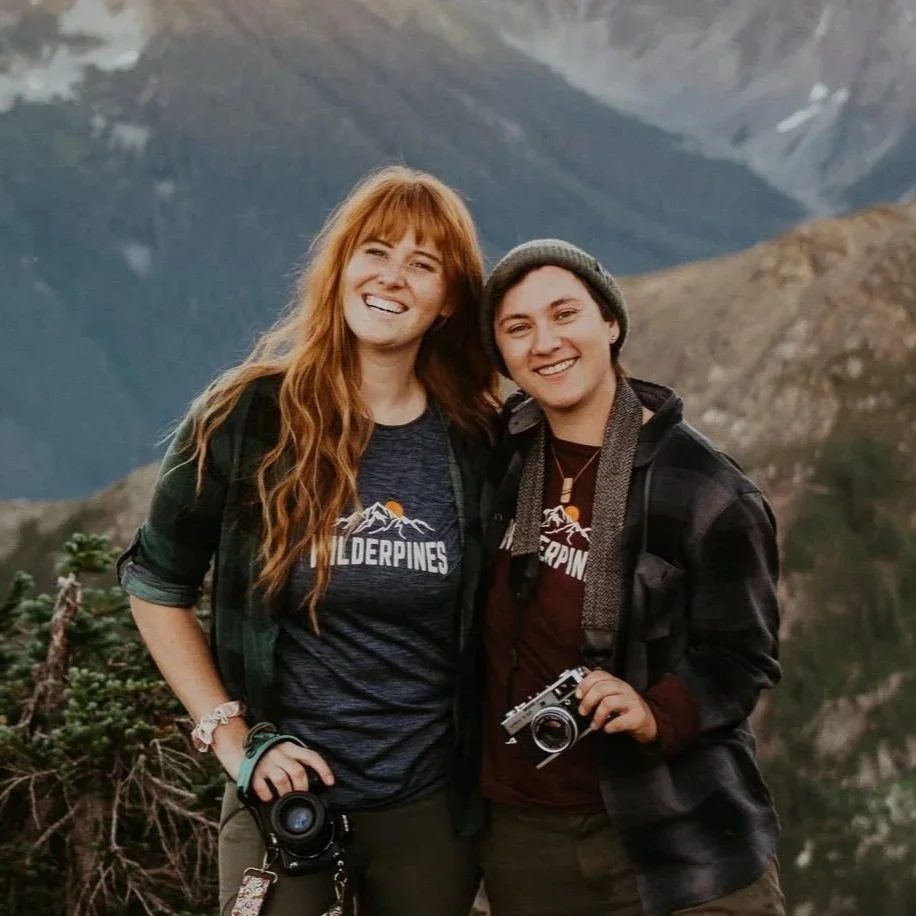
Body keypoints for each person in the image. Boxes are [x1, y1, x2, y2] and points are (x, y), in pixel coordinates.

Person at [117, 166, 499, 916]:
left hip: (426, 807)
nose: (392, 278)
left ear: (449, 299)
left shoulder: (476, 443)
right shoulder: (248, 417)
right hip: (281, 797)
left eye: (423, 265)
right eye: (375, 252)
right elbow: (155, 583)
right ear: (341, 265)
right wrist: (233, 740)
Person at [474, 239, 786, 916]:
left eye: (565, 314)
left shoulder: (707, 491)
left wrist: (653, 712)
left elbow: (742, 658)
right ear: (500, 354)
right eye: (517, 328)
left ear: (609, 322)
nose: (546, 342)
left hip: (679, 838)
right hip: (524, 840)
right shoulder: (500, 456)